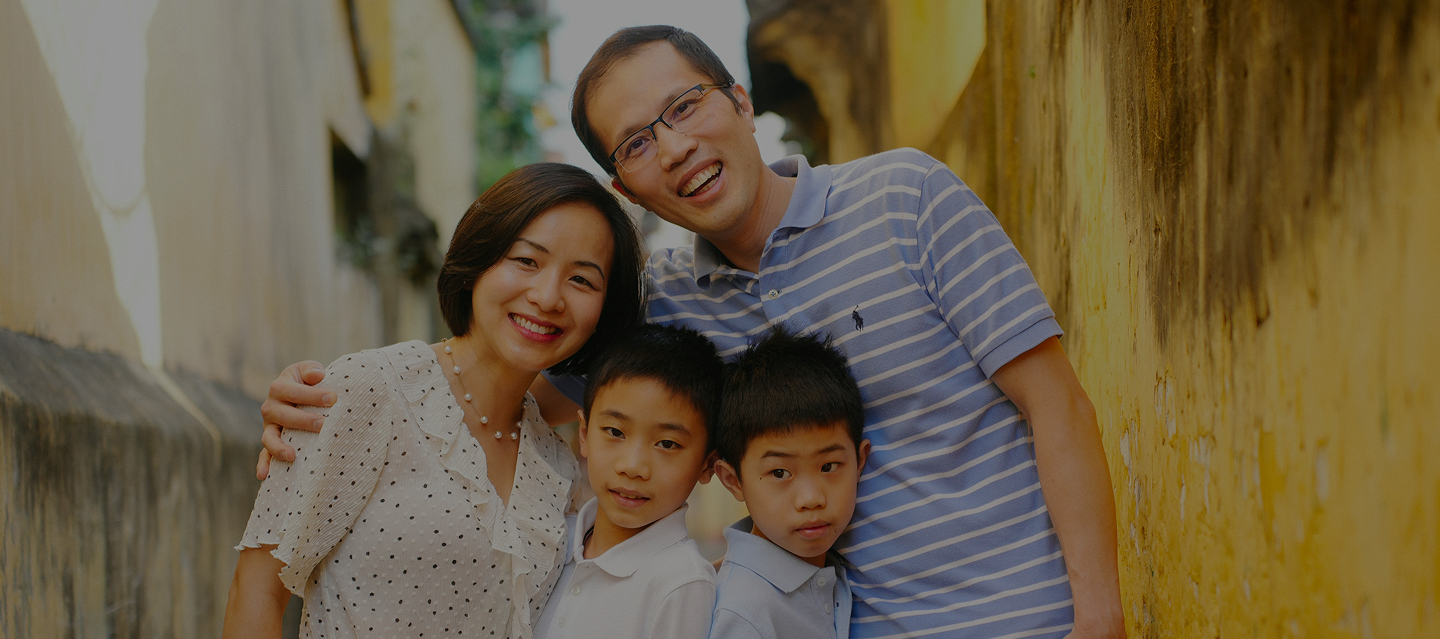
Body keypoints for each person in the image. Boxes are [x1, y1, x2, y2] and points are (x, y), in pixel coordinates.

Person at [259, 25, 1125, 639]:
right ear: (628, 188)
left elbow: (1056, 405)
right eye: (637, 141)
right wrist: (328, 407)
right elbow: (509, 396)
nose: (672, 146)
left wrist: (1099, 615)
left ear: (741, 102)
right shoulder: (665, 304)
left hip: (1029, 618)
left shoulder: (907, 197)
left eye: (685, 107)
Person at [222, 163, 645, 638]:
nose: (548, 297)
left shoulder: (557, 468)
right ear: (478, 261)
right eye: (526, 261)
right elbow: (255, 594)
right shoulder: (367, 389)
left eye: (582, 280)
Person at [533, 323, 721, 639]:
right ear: (584, 433)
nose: (633, 467)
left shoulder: (682, 583)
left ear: (708, 464)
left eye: (667, 444)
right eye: (615, 432)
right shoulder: (551, 538)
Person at [708, 327, 871, 639]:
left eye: (829, 466)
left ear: (860, 460)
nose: (811, 499)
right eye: (780, 473)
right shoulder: (745, 609)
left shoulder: (834, 569)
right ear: (732, 480)